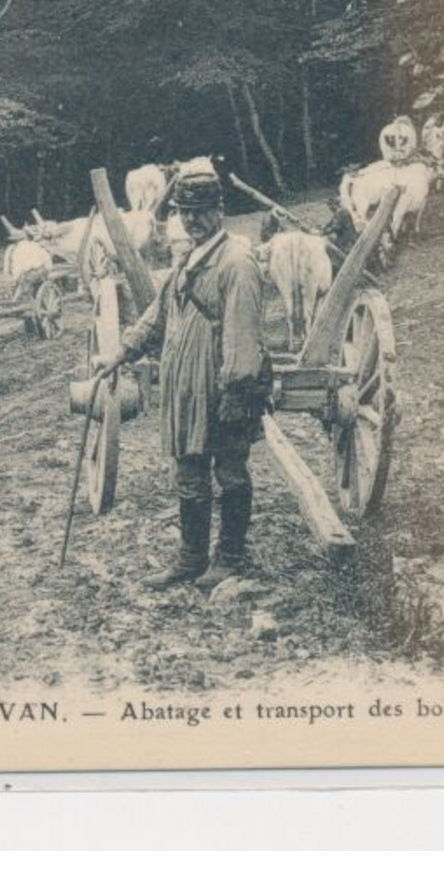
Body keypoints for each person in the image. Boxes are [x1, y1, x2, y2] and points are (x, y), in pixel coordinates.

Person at [98, 159, 269, 591]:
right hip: (186, 391)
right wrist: (120, 352)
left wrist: (237, 389)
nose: (191, 220)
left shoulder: (237, 262)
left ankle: (230, 557)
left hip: (223, 387)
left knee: (229, 471)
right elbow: (157, 316)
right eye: (183, 212)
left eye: (200, 211)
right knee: (189, 473)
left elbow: (243, 334)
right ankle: (190, 559)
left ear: (219, 210)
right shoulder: (188, 259)